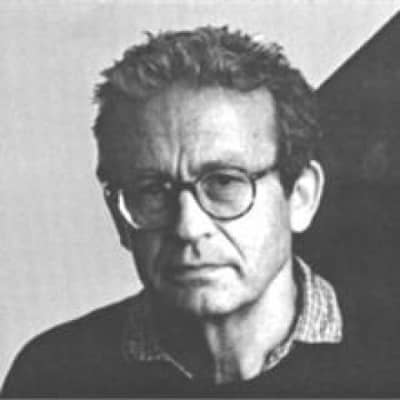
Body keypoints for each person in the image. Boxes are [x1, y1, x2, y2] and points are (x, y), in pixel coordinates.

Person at [1, 25, 395, 398]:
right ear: (119, 218)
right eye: (151, 190)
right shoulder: (53, 377)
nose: (188, 227)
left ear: (301, 197)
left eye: (224, 182)